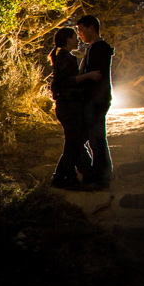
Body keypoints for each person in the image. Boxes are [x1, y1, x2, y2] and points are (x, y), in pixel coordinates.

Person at [48, 26, 92, 189]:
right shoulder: (65, 57)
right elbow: (66, 81)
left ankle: (72, 175)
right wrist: (88, 76)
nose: (77, 39)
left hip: (66, 105)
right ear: (68, 39)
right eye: (75, 37)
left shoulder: (63, 57)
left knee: (74, 142)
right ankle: (64, 177)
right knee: (74, 142)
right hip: (68, 105)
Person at [76, 15, 114, 190]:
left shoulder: (100, 49)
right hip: (95, 99)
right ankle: (97, 174)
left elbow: (96, 77)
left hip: (96, 100)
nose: (80, 35)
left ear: (91, 28)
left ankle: (100, 178)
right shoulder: (95, 48)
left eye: (81, 30)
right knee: (93, 138)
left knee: (96, 138)